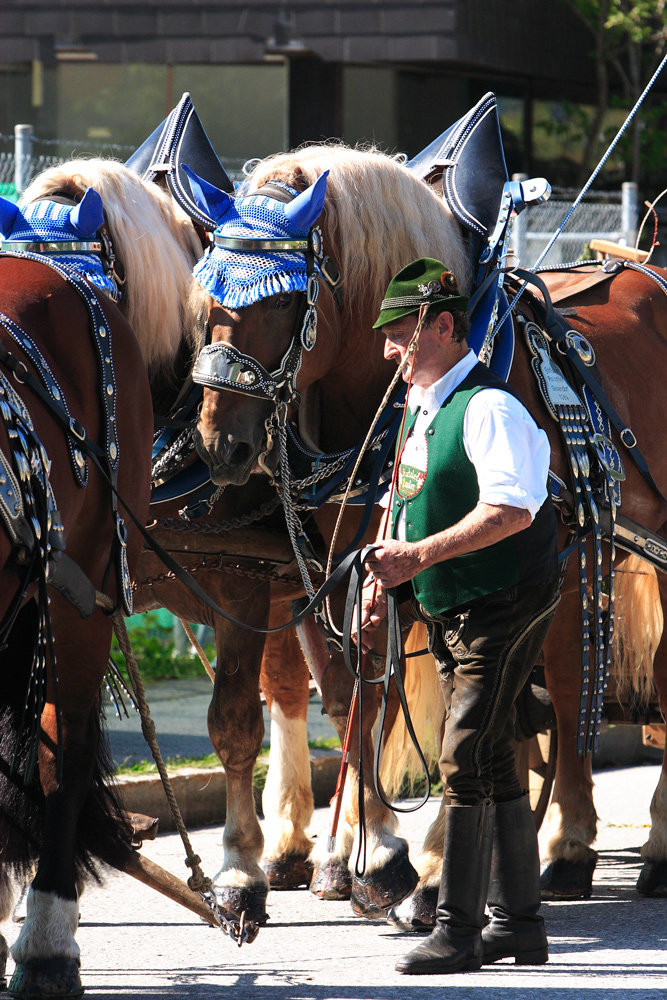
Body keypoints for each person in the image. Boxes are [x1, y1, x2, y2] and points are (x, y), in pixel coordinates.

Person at [358, 257, 560, 975]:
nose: (388, 351)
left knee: (462, 754)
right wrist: (383, 579)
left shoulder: (487, 407)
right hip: (456, 603)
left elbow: (508, 510)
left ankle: (458, 932)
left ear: (444, 326)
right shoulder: (423, 405)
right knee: (493, 752)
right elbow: (408, 495)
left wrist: (416, 560)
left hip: (504, 596)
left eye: (400, 335)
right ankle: (519, 927)